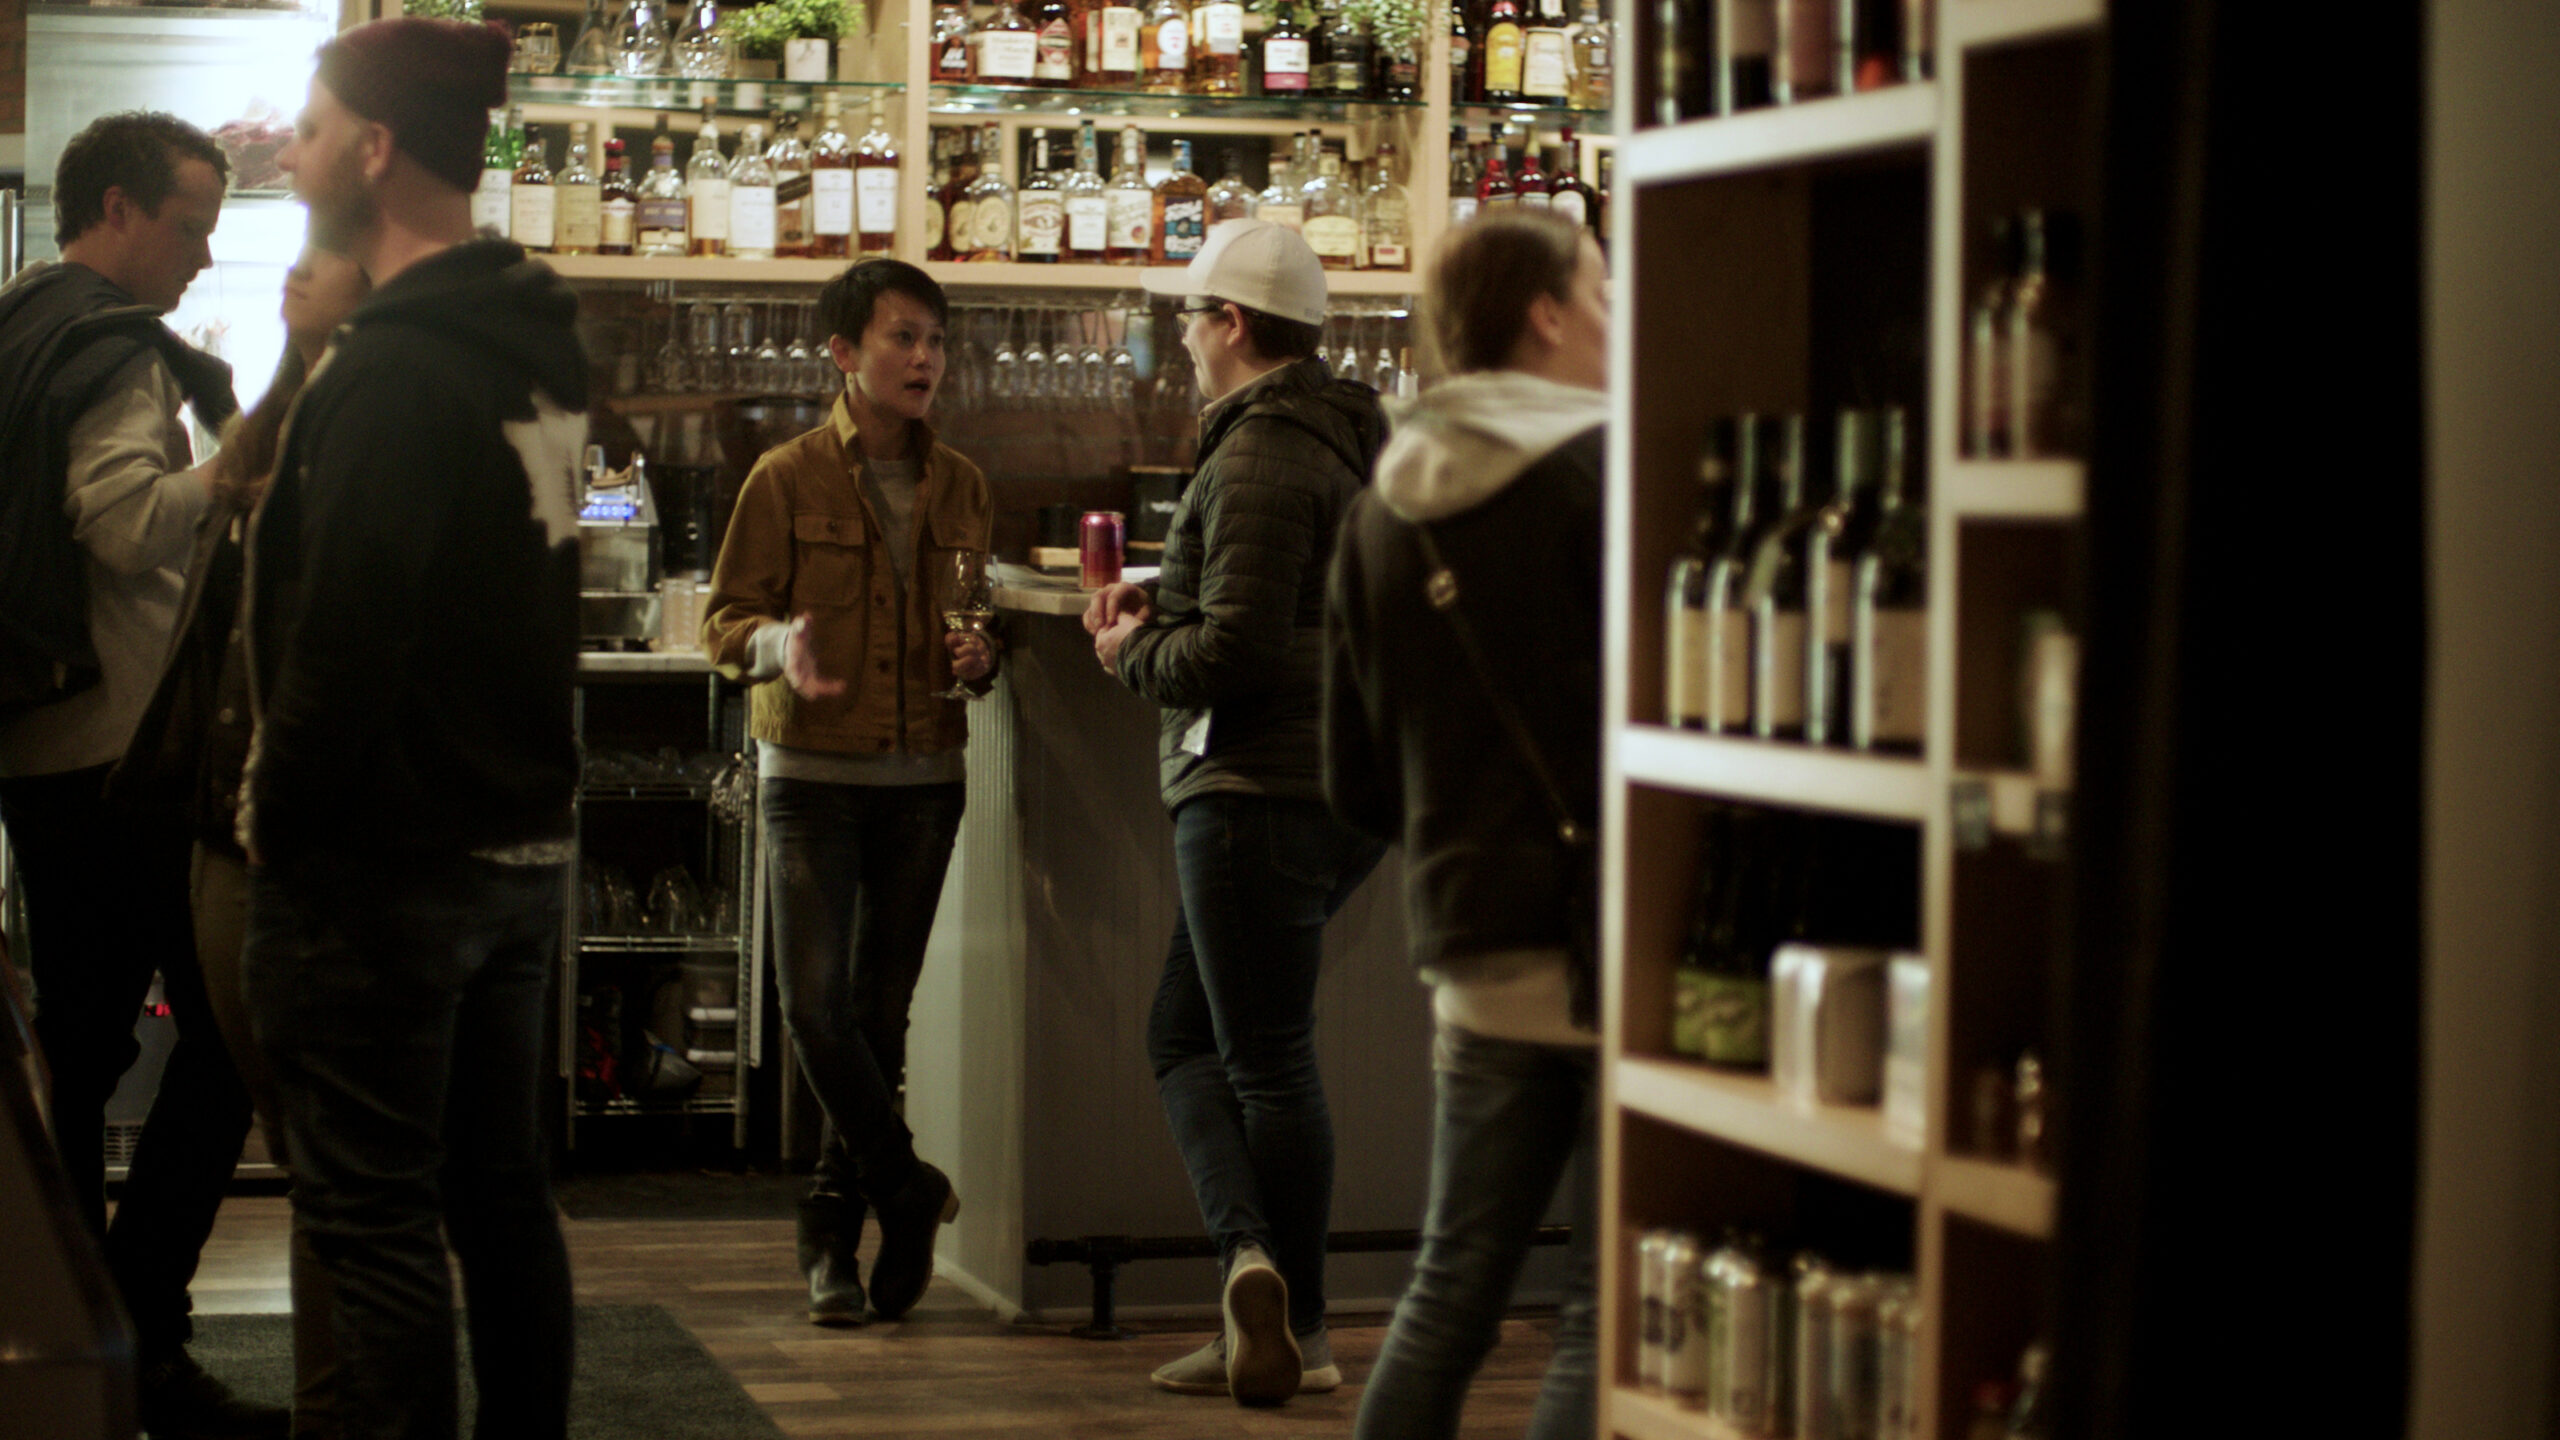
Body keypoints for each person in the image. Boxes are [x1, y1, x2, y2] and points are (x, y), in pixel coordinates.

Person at [246, 19, 584, 1439]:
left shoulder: (393, 369)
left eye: (315, 129)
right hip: (517, 846)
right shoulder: (535, 338)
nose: (296, 153)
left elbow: (348, 635)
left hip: (389, 863)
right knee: (501, 1203)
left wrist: (278, 827)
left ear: (376, 150)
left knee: (373, 1223)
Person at [0, 109, 288, 1440]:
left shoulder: (22, 319)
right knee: (233, 1032)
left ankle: (81, 1348)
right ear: (117, 209)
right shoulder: (114, 348)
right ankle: (137, 1326)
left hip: (42, 745)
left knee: (79, 1044)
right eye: (188, 224)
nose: (203, 252)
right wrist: (231, 470)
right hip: (122, 757)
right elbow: (119, 526)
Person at [1087, 218, 1388, 1407]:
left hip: (1255, 788)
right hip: (1335, 785)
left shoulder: (1262, 449)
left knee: (1261, 1062)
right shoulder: (1342, 436)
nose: (1180, 335)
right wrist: (1166, 602)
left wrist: (1128, 651)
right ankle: (1257, 1295)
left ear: (1231, 323)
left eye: (1189, 315)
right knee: (1195, 1037)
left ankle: (1287, 1311)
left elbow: (1239, 653)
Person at [1322, 208, 1610, 1440]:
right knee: (1600, 1318)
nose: (1614, 321)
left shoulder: (1382, 509)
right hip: (1610, 937)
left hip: (1470, 941)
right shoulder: (1606, 476)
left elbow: (1353, 779)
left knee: (1449, 1295)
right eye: (1601, 295)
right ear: (1544, 314)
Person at [700, 258, 992, 1327]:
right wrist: (781, 644)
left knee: (876, 1017)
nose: (924, 359)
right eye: (902, 338)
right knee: (815, 1012)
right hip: (811, 775)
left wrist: (982, 657)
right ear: (842, 352)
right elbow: (724, 624)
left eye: (936, 341)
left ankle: (833, 1233)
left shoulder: (963, 483)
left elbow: (977, 621)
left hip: (925, 780)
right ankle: (904, 1190)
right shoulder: (783, 477)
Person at [115, 245, 371, 1440]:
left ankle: (337, 1410)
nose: (292, 270)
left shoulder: (371, 433)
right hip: (227, 821)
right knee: (296, 1125)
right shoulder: (264, 427)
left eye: (327, 255)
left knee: (326, 1149)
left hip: (303, 835)